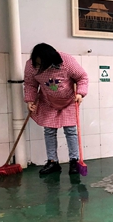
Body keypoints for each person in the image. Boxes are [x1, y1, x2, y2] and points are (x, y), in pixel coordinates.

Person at [24, 43, 88, 175]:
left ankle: (74, 161)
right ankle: (52, 161)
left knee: (70, 131)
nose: (40, 66)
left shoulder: (67, 61)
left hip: (69, 100)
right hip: (48, 101)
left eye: (42, 63)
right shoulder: (31, 65)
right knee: (49, 131)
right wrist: (30, 100)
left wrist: (80, 93)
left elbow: (82, 77)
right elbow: (30, 84)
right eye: (38, 63)